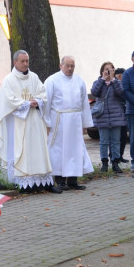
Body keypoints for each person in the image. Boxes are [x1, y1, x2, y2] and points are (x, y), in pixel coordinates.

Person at [0, 50, 60, 193]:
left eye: (27, 61)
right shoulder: (8, 80)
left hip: (35, 121)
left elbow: (43, 95)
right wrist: (25, 104)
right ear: (15, 62)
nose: (26, 64)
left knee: (39, 150)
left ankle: (44, 183)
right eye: (22, 61)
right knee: (23, 152)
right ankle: (26, 185)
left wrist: (37, 101)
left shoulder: (34, 77)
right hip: (19, 123)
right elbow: (8, 100)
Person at [44, 55, 93, 190]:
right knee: (59, 151)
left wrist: (85, 124)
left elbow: (84, 104)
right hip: (59, 121)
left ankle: (73, 180)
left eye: (72, 66)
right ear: (61, 65)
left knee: (75, 150)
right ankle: (60, 181)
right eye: (67, 65)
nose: (70, 68)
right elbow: (46, 103)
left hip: (75, 121)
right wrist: (47, 123)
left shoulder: (79, 81)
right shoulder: (52, 80)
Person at [91, 62, 126, 173]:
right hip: (102, 116)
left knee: (116, 141)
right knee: (104, 141)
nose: (108, 71)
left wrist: (113, 80)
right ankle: (104, 163)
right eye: (106, 69)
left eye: (111, 69)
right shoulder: (98, 82)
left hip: (116, 116)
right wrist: (102, 79)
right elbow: (94, 92)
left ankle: (115, 163)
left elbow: (120, 92)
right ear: (102, 71)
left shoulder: (117, 82)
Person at [114, 67, 130, 163]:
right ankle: (114, 156)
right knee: (116, 138)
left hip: (123, 114)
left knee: (123, 137)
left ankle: (120, 155)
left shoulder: (124, 85)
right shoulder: (115, 84)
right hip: (115, 114)